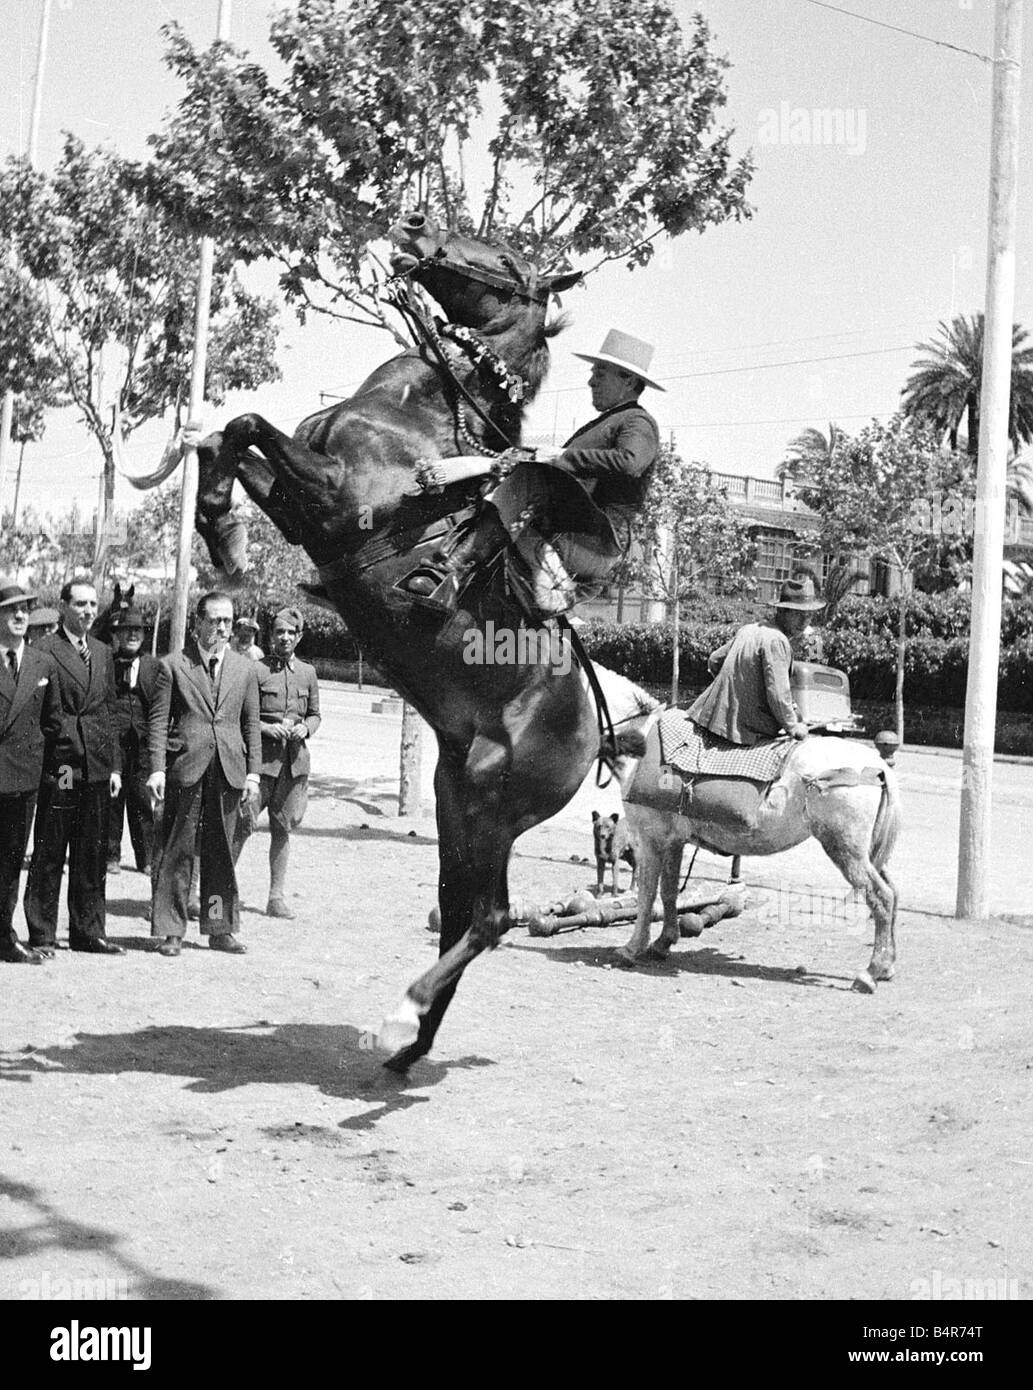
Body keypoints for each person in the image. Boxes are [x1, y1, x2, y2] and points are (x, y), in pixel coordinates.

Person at [398, 328, 663, 616]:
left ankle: (448, 573)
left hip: (597, 543)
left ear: (628, 380)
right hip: (574, 532)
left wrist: (561, 457)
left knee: (529, 478)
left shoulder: (638, 421)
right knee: (496, 489)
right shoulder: (605, 423)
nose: (590, 381)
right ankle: (544, 573)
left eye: (600, 374)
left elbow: (631, 462)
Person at [147, 592, 261, 957]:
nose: (223, 628)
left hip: (229, 769)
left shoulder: (245, 669)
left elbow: (252, 724)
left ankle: (219, 928)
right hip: (186, 768)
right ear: (197, 622)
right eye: (215, 620)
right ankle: (171, 930)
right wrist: (156, 770)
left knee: (220, 853)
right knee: (177, 850)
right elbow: (157, 723)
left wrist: (254, 775)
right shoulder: (173, 665)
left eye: (228, 621)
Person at [24, 576, 124, 957]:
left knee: (92, 850)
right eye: (80, 604)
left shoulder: (101, 652)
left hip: (97, 765)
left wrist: (113, 765)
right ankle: (42, 933)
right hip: (63, 764)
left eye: (92, 605)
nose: (87, 611)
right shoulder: (46, 649)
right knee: (52, 845)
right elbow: (39, 712)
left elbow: (109, 710)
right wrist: (60, 745)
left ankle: (88, 930)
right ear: (64, 605)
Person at [233, 606, 320, 919]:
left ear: (299, 638)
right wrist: (268, 728)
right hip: (260, 764)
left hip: (293, 766)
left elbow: (315, 714)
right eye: (279, 632)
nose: (285, 638)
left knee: (283, 829)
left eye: (291, 633)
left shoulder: (308, 673)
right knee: (241, 827)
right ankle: (222, 888)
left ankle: (276, 897)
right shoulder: (255, 670)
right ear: (270, 636)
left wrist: (305, 728)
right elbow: (244, 716)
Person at [686, 575, 826, 747]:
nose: (804, 622)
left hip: (711, 715)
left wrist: (733, 692)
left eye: (809, 616)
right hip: (744, 729)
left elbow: (715, 660)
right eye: (798, 614)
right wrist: (793, 726)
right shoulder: (777, 640)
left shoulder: (749, 629)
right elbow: (778, 694)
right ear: (781, 611)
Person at [0, 583, 61, 965]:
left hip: (22, 780)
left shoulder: (41, 663)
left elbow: (53, 725)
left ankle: (3, 936)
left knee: (8, 862)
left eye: (25, 609)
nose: (21, 616)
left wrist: (55, 778)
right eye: (11, 610)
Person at [106, 606, 161, 877]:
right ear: (118, 634)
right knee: (112, 798)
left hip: (142, 743)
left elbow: (160, 707)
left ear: (143, 636)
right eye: (127, 630)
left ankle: (147, 857)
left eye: (137, 631)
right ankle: (111, 855)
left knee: (141, 799)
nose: (132, 635)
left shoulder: (153, 666)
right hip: (114, 741)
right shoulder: (108, 662)